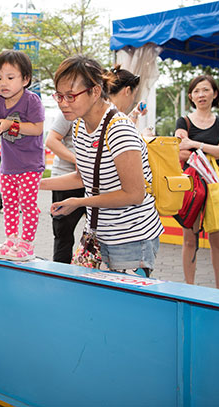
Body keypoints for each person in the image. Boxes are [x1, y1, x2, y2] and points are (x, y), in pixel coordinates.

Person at [39, 55, 163, 276]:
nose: (62, 103)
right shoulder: (78, 126)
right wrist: (36, 184)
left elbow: (134, 194)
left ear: (95, 92)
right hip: (96, 236)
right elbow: (82, 177)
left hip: (130, 240)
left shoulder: (119, 130)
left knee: (121, 308)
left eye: (70, 96)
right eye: (59, 95)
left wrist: (79, 202)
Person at [174, 75, 219, 290]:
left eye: (206, 90)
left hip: (215, 184)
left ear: (215, 94)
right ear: (191, 96)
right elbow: (180, 151)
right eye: (197, 91)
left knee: (218, 242)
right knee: (190, 239)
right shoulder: (184, 122)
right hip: (192, 186)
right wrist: (212, 149)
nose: (201, 95)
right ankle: (189, 288)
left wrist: (195, 144)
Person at [0, 50, 45, 261]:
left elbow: (37, 129)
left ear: (25, 79)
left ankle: (26, 244)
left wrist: (10, 125)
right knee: (10, 204)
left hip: (30, 164)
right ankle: (11, 240)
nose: (4, 83)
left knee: (27, 205)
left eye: (10, 78)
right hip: (8, 165)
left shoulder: (32, 101)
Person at [44, 113, 85, 263]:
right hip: (65, 179)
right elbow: (51, 140)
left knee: (98, 234)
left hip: (93, 182)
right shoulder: (70, 111)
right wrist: (76, 159)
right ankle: (61, 273)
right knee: (63, 233)